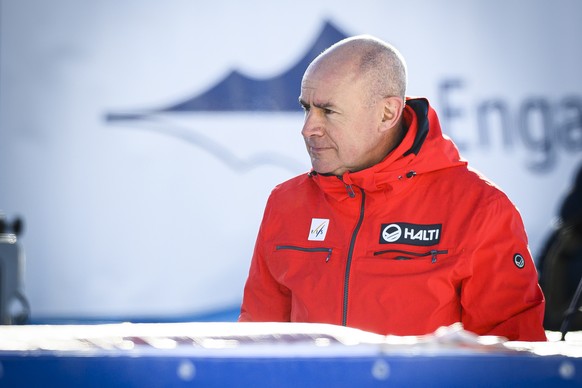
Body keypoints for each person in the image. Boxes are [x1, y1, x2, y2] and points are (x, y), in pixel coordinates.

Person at [239, 35, 546, 341]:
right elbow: (253, 344)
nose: (308, 128)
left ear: (387, 113)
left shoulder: (479, 209)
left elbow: (516, 358)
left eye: (328, 111)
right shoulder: (286, 203)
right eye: (306, 108)